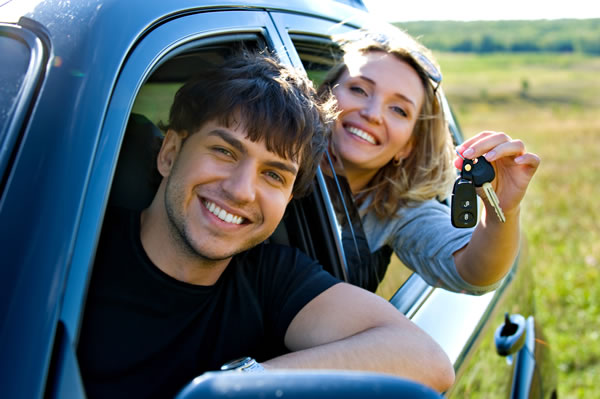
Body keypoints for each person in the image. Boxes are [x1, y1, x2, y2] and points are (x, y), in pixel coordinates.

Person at [77, 51, 455, 399]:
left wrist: (238, 386)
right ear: (170, 152)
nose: (241, 191)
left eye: (274, 175)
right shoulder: (73, 249)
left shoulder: (272, 278)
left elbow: (428, 361)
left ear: (289, 200)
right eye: (225, 151)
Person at [318, 30, 541, 294]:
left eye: (399, 110)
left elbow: (475, 272)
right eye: (359, 89)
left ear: (408, 147)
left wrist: (502, 210)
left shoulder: (395, 212)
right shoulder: (266, 151)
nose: (372, 114)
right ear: (323, 97)